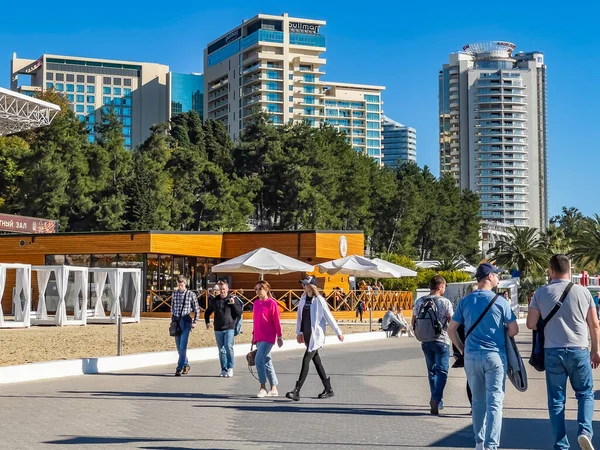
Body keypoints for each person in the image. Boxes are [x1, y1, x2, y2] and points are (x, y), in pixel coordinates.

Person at [526, 254, 600, 450]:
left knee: (556, 402)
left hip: (553, 352)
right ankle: (585, 432)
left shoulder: (541, 293)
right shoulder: (583, 292)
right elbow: (594, 325)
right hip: (579, 350)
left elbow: (531, 324)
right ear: (570, 270)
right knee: (585, 394)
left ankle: (561, 445)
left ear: (551, 271)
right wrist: (596, 350)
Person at [448, 263, 519, 450]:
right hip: (495, 357)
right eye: (496, 274)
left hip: (471, 357)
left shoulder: (466, 301)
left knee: (478, 402)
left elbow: (451, 329)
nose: (498, 278)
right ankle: (491, 445)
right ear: (488, 276)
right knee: (495, 402)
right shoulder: (501, 302)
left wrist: (462, 349)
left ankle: (479, 442)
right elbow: (514, 330)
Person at [286, 276, 344, 401]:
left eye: (306, 284)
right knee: (317, 362)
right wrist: (299, 332)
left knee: (306, 360)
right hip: (306, 334)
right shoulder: (303, 298)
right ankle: (328, 389)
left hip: (315, 336)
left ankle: (297, 390)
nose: (303, 286)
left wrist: (338, 332)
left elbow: (329, 316)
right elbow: (300, 317)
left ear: (312, 286)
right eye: (303, 284)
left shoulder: (319, 301)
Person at [412, 275, 454, 415]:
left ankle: (436, 400)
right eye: (444, 287)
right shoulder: (445, 302)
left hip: (425, 341)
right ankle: (436, 399)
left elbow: (414, 321)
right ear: (440, 286)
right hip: (442, 341)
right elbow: (451, 323)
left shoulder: (419, 301)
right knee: (442, 372)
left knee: (431, 371)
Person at [204, 280, 243, 377]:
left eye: (224, 289)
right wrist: (207, 322)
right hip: (218, 328)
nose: (222, 291)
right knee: (221, 350)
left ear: (228, 289)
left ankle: (230, 368)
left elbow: (239, 313)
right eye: (220, 289)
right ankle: (224, 369)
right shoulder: (215, 300)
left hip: (229, 327)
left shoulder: (233, 299)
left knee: (228, 347)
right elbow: (207, 312)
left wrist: (233, 304)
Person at [252, 280, 284, 398]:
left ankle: (262, 387)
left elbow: (276, 320)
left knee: (258, 360)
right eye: (256, 289)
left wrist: (279, 336)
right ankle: (274, 388)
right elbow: (255, 321)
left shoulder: (272, 303)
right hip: (259, 336)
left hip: (269, 336)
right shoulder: (255, 303)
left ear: (266, 289)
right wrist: (253, 335)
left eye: (260, 288)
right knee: (266, 361)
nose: (258, 291)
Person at [171, 275, 200, 376]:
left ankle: (179, 368)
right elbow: (172, 307)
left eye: (182, 284)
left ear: (185, 284)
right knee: (179, 346)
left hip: (186, 320)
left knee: (183, 346)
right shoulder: (174, 294)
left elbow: (197, 309)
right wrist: (172, 320)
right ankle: (185, 364)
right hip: (176, 320)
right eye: (179, 284)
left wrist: (195, 321)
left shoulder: (191, 294)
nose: (180, 286)